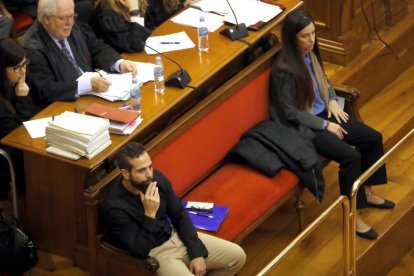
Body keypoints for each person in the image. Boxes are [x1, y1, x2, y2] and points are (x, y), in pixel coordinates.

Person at [269, 10, 394, 240]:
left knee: (373, 138)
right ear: (291, 37)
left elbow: (324, 81)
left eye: (313, 33)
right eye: (305, 36)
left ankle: (367, 191)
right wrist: (325, 125)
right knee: (351, 157)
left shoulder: (310, 54)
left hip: (326, 112)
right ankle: (352, 214)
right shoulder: (284, 69)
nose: (312, 39)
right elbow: (289, 112)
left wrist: (334, 101)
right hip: (307, 127)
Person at [102, 142, 246, 275]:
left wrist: (196, 252)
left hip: (175, 235)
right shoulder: (115, 208)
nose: (149, 174)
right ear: (125, 174)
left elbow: (179, 215)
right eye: (141, 171)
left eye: (150, 167)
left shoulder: (157, 178)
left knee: (238, 257)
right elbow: (141, 251)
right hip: (157, 253)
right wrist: (150, 214)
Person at [21, 0, 138, 108]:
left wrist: (119, 63)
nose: (70, 23)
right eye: (63, 18)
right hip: (67, 105)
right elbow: (46, 89)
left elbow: (97, 47)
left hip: (98, 94)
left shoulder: (73, 27)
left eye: (72, 16)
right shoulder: (32, 49)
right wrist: (85, 86)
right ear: (46, 19)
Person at [0, 38, 39, 209]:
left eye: (25, 64)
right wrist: (22, 97)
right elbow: (18, 135)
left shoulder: (17, 79)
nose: (23, 72)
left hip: (19, 139)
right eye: (17, 67)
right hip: (7, 152)